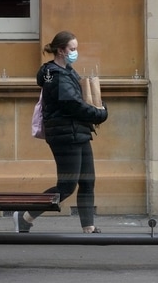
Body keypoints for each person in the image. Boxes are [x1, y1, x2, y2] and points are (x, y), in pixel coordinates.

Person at [14, 31, 108, 234]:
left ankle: (88, 227)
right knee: (66, 186)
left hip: (78, 132)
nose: (75, 52)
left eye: (76, 48)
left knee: (87, 181)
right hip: (65, 136)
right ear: (60, 50)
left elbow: (83, 98)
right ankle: (24, 216)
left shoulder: (68, 72)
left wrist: (99, 107)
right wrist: (99, 114)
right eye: (72, 49)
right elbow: (74, 105)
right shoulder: (56, 76)